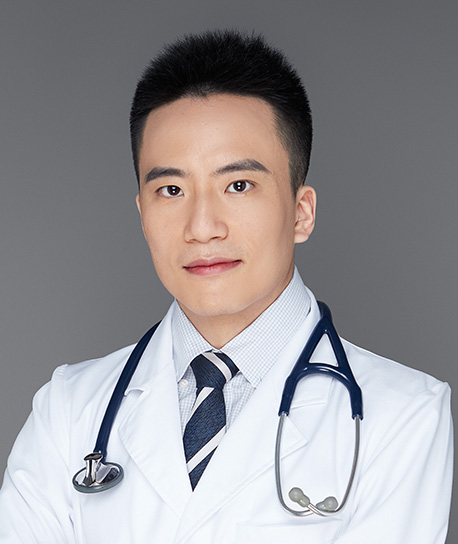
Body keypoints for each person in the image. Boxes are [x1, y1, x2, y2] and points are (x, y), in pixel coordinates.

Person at [0, 30, 452, 543]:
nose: (202, 227)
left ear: (301, 212)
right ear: (143, 215)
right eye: (172, 189)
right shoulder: (69, 411)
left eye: (238, 185)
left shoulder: (403, 416)